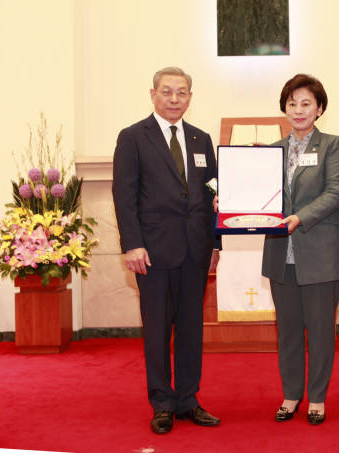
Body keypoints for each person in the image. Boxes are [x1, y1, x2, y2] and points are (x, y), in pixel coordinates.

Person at [112, 66, 220, 434]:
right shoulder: (133, 137)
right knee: (157, 330)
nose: (175, 99)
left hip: (195, 249)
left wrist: (216, 244)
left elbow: (212, 194)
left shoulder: (201, 139)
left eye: (182, 92)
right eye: (168, 92)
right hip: (152, 252)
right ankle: (162, 403)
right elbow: (124, 195)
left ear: (191, 96)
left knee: (191, 329)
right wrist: (132, 244)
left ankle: (188, 399)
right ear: (153, 94)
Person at [261, 74, 339, 425]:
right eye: (292, 103)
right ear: (284, 108)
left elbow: (337, 191)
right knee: (288, 330)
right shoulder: (271, 152)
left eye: (306, 103)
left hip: (320, 253)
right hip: (281, 255)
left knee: (321, 329)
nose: (298, 110)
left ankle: (317, 398)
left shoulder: (332, 145)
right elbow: (259, 197)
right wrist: (231, 202)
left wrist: (300, 216)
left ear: (320, 108)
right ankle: (291, 394)